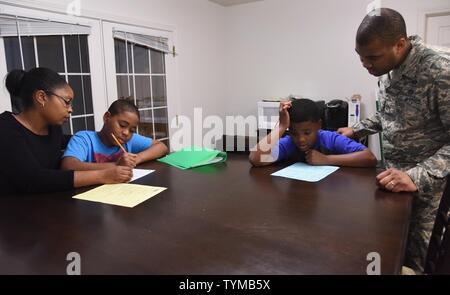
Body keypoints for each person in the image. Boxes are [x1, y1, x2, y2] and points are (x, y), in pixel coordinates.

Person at [337, 8, 450, 273]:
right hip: (394, 182)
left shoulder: (441, 71)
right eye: (360, 57)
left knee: (417, 262)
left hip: (429, 191)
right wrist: (356, 130)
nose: (365, 64)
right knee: (392, 254)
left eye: (371, 57)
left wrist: (416, 176)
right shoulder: (388, 67)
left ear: (400, 44)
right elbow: (391, 113)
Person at [0, 68, 134, 196]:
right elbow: (33, 179)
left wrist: (99, 139)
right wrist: (103, 175)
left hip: (49, 205)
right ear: (41, 97)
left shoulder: (52, 128)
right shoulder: (5, 127)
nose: (70, 109)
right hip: (14, 212)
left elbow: (72, 140)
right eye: (67, 102)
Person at [249, 98, 377, 167]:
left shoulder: (330, 139)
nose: (301, 139)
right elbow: (255, 159)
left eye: (307, 132)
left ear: (319, 125)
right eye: (294, 133)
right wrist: (282, 126)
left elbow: (369, 158)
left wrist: (327, 159)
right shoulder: (289, 143)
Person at [61, 99, 168, 171]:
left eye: (132, 130)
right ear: (107, 117)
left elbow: (161, 147)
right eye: (122, 125)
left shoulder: (129, 140)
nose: (126, 133)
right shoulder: (84, 139)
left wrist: (136, 159)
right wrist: (116, 165)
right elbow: (68, 165)